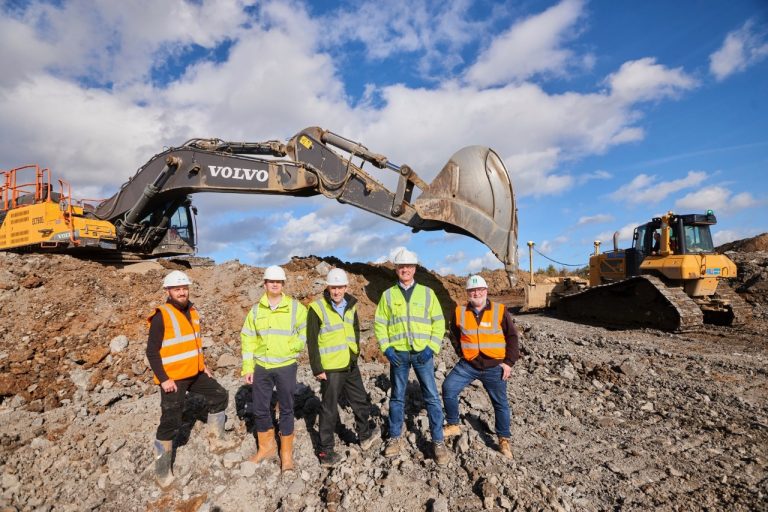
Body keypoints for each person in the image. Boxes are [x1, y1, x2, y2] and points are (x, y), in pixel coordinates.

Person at [146, 270, 231, 488]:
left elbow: (194, 343)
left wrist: (204, 366)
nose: (182, 292)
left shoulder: (192, 311)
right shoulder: (161, 316)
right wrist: (163, 378)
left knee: (220, 395)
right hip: (173, 378)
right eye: (177, 289)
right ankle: (162, 471)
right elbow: (152, 352)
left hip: (195, 372)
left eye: (184, 288)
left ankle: (216, 439)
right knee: (171, 421)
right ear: (168, 291)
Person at [374, 248, 449, 465]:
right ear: (396, 269)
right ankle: (395, 438)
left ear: (414, 269)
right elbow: (380, 324)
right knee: (397, 397)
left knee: (432, 397)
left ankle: (438, 441)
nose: (405, 269)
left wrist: (432, 347)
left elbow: (438, 321)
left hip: (422, 354)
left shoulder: (427, 293)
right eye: (401, 266)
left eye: (408, 266)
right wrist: (387, 348)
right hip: (399, 354)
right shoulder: (388, 295)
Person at [442, 275, 520, 458]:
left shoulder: (500, 310)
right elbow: (454, 333)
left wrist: (508, 362)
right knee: (448, 388)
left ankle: (503, 439)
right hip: (469, 364)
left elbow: (512, 337)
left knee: (500, 403)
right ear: (468, 293)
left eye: (479, 290)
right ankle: (453, 424)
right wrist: (461, 353)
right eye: (472, 291)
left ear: (486, 291)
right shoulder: (460, 311)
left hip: (495, 366)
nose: (476, 293)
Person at [307, 268, 377, 466]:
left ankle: (364, 436)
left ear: (346, 287)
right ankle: (325, 452)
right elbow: (312, 341)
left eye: (340, 287)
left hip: (350, 363)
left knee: (360, 400)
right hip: (331, 368)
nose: (336, 291)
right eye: (333, 287)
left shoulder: (351, 305)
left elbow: (354, 330)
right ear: (328, 287)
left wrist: (354, 353)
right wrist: (317, 368)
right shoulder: (317, 308)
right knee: (329, 409)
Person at [241, 265, 307, 472]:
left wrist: (293, 346)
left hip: (286, 365)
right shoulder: (255, 310)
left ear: (283, 284)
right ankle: (266, 447)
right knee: (260, 408)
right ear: (265, 284)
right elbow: (248, 338)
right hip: (262, 366)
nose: (275, 284)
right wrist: (248, 367)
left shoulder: (296, 308)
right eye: (271, 281)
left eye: (278, 282)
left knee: (287, 408)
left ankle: (286, 454)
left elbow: (306, 331)